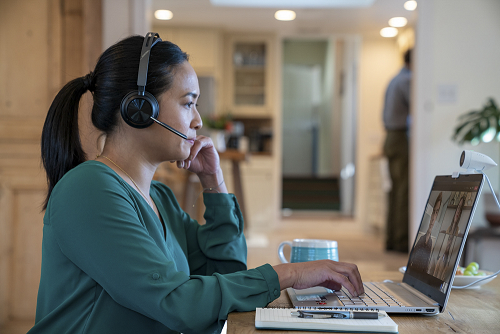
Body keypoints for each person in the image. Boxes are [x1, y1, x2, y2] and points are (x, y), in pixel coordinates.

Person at [28, 33, 364, 334]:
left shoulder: (157, 197)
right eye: (188, 102)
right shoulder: (89, 189)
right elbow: (180, 304)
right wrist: (289, 274)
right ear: (140, 109)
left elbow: (224, 272)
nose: (198, 120)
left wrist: (214, 184)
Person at [382, 49, 412, 253]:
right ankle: (401, 242)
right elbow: (417, 106)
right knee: (403, 191)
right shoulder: (408, 80)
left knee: (394, 191)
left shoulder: (395, 79)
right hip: (400, 138)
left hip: (390, 137)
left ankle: (391, 240)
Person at [409, 192, 443, 274]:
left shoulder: (431, 242)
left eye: (437, 212)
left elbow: (427, 263)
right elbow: (412, 257)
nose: (434, 217)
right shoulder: (421, 238)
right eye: (433, 212)